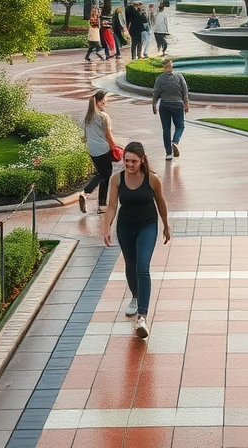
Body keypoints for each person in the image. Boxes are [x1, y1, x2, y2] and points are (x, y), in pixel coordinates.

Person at [102, 141, 171, 339]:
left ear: (142, 160)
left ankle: (142, 315)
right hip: (125, 227)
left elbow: (161, 202)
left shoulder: (152, 179)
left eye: (133, 161)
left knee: (142, 266)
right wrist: (106, 226)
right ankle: (134, 295)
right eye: (126, 161)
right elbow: (112, 206)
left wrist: (166, 225)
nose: (129, 164)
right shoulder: (117, 179)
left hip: (147, 226)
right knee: (130, 265)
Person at [79, 90, 120, 214]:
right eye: (105, 100)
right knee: (104, 174)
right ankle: (86, 192)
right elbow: (109, 134)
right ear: (100, 101)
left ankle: (102, 205)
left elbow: (84, 136)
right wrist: (115, 146)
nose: (106, 103)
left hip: (92, 150)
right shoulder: (103, 116)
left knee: (104, 174)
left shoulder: (87, 117)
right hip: (103, 149)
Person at [151, 57, 189, 160]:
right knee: (180, 126)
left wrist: (154, 105)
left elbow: (156, 93)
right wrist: (186, 104)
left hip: (165, 105)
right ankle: (175, 141)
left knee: (166, 129)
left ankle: (168, 153)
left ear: (163, 67)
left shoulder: (160, 79)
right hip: (177, 105)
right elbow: (185, 92)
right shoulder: (179, 77)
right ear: (172, 66)